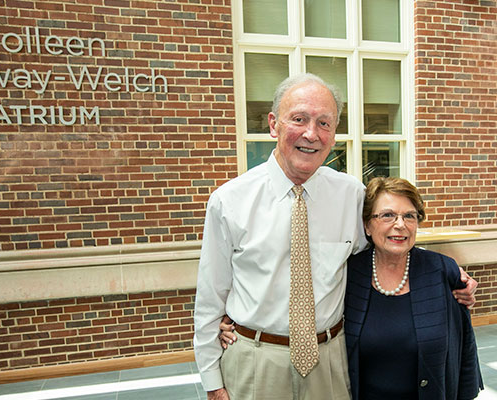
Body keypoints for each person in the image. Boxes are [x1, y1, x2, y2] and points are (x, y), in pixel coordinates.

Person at [193, 73, 478, 400]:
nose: (311, 134)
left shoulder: (351, 195)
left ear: (334, 134)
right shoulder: (229, 201)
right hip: (255, 361)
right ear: (274, 124)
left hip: (330, 359)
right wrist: (213, 381)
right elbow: (210, 296)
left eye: (325, 123)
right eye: (299, 119)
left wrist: (447, 274)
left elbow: (389, 240)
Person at [343, 176, 483, 399]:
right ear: (368, 225)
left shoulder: (442, 271)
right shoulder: (348, 274)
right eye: (388, 215)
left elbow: (464, 349)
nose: (400, 224)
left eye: (409, 216)